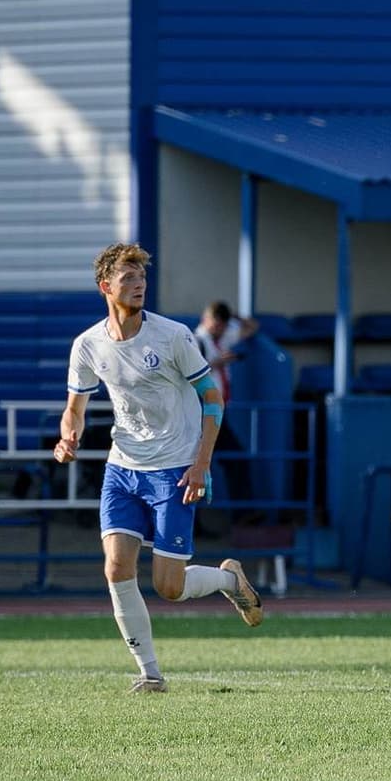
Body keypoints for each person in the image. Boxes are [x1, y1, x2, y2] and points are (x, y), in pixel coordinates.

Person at [57, 243, 267, 692]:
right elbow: (74, 406)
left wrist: (201, 465)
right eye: (128, 279)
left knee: (168, 587)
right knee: (116, 568)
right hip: (123, 469)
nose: (138, 286)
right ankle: (150, 674)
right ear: (105, 287)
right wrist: (68, 435)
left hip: (175, 469)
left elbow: (213, 399)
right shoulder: (88, 344)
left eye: (142, 279)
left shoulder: (173, 336)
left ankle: (229, 578)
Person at [195, 300, 259, 512]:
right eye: (214, 323)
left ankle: (244, 514)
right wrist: (217, 363)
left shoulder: (222, 338)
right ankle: (244, 514)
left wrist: (235, 316)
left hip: (216, 412)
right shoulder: (197, 341)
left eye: (221, 324)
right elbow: (189, 375)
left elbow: (252, 328)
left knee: (232, 460)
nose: (217, 329)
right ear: (206, 320)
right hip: (202, 413)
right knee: (210, 464)